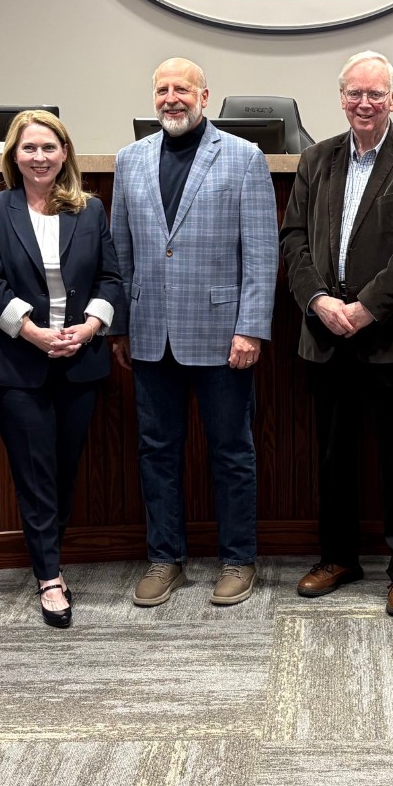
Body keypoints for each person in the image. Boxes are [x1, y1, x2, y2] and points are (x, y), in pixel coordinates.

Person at [280, 51, 393, 617]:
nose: (365, 103)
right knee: (333, 456)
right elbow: (294, 239)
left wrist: (366, 308)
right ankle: (338, 557)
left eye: (376, 94)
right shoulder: (316, 159)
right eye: (355, 93)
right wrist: (319, 301)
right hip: (326, 333)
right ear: (341, 97)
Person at [110, 57, 278, 608]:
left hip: (222, 334)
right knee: (156, 450)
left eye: (182, 88)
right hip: (151, 334)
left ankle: (238, 559)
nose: (171, 98)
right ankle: (166, 558)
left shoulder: (243, 157)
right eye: (162, 89)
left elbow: (260, 252)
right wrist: (123, 326)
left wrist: (251, 328)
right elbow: (122, 252)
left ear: (205, 96)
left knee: (231, 452)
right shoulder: (130, 160)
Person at [0, 110, 121, 629]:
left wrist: (89, 328)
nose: (40, 158)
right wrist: (32, 332)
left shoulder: (90, 210)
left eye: (49, 148)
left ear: (65, 155)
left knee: (64, 467)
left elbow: (110, 277)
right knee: (35, 470)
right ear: (14, 155)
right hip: (18, 362)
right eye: (29, 148)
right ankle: (49, 575)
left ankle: (48, 552)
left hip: (80, 359)